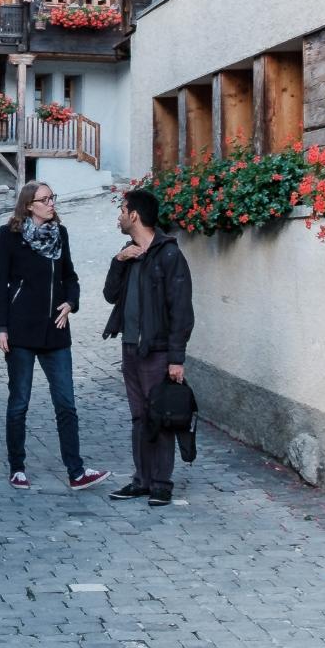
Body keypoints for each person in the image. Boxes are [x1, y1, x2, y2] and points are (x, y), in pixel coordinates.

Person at [0, 182, 111, 492]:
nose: (50, 204)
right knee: (19, 403)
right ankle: (17, 467)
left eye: (52, 198)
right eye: (44, 200)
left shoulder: (61, 235)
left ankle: (76, 471)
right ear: (29, 205)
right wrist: (1, 327)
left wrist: (71, 302)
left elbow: (70, 276)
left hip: (56, 333)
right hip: (20, 332)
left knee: (66, 403)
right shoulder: (10, 236)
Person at [102, 187, 195, 507]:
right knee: (139, 417)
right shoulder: (128, 253)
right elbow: (110, 295)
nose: (119, 216)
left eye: (122, 210)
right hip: (131, 349)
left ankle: (161, 482)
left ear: (134, 215)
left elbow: (181, 309)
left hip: (157, 351)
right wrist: (118, 260)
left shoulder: (169, 255)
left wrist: (176, 359)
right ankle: (141, 480)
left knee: (161, 416)